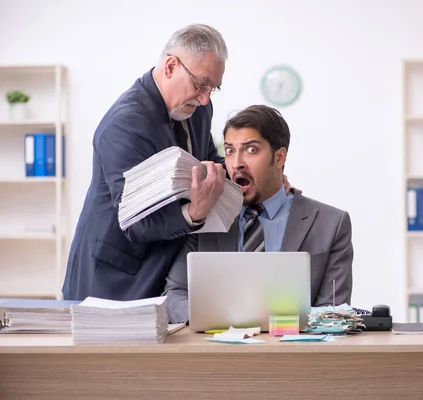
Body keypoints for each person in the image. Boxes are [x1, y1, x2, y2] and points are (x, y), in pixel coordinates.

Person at [62, 24, 230, 301]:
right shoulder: (126, 124)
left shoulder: (198, 109)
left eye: (213, 88)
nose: (205, 98)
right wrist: (195, 212)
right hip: (113, 277)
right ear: (170, 66)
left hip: (164, 266)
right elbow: (136, 222)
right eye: (201, 84)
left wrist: (252, 176)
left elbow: (208, 161)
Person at [163, 105, 353, 324]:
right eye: (230, 150)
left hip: (294, 354)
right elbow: (174, 294)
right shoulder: (206, 217)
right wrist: (217, 321)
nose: (236, 163)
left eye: (251, 150)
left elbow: (333, 312)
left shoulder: (331, 224)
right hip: (218, 351)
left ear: (280, 157)